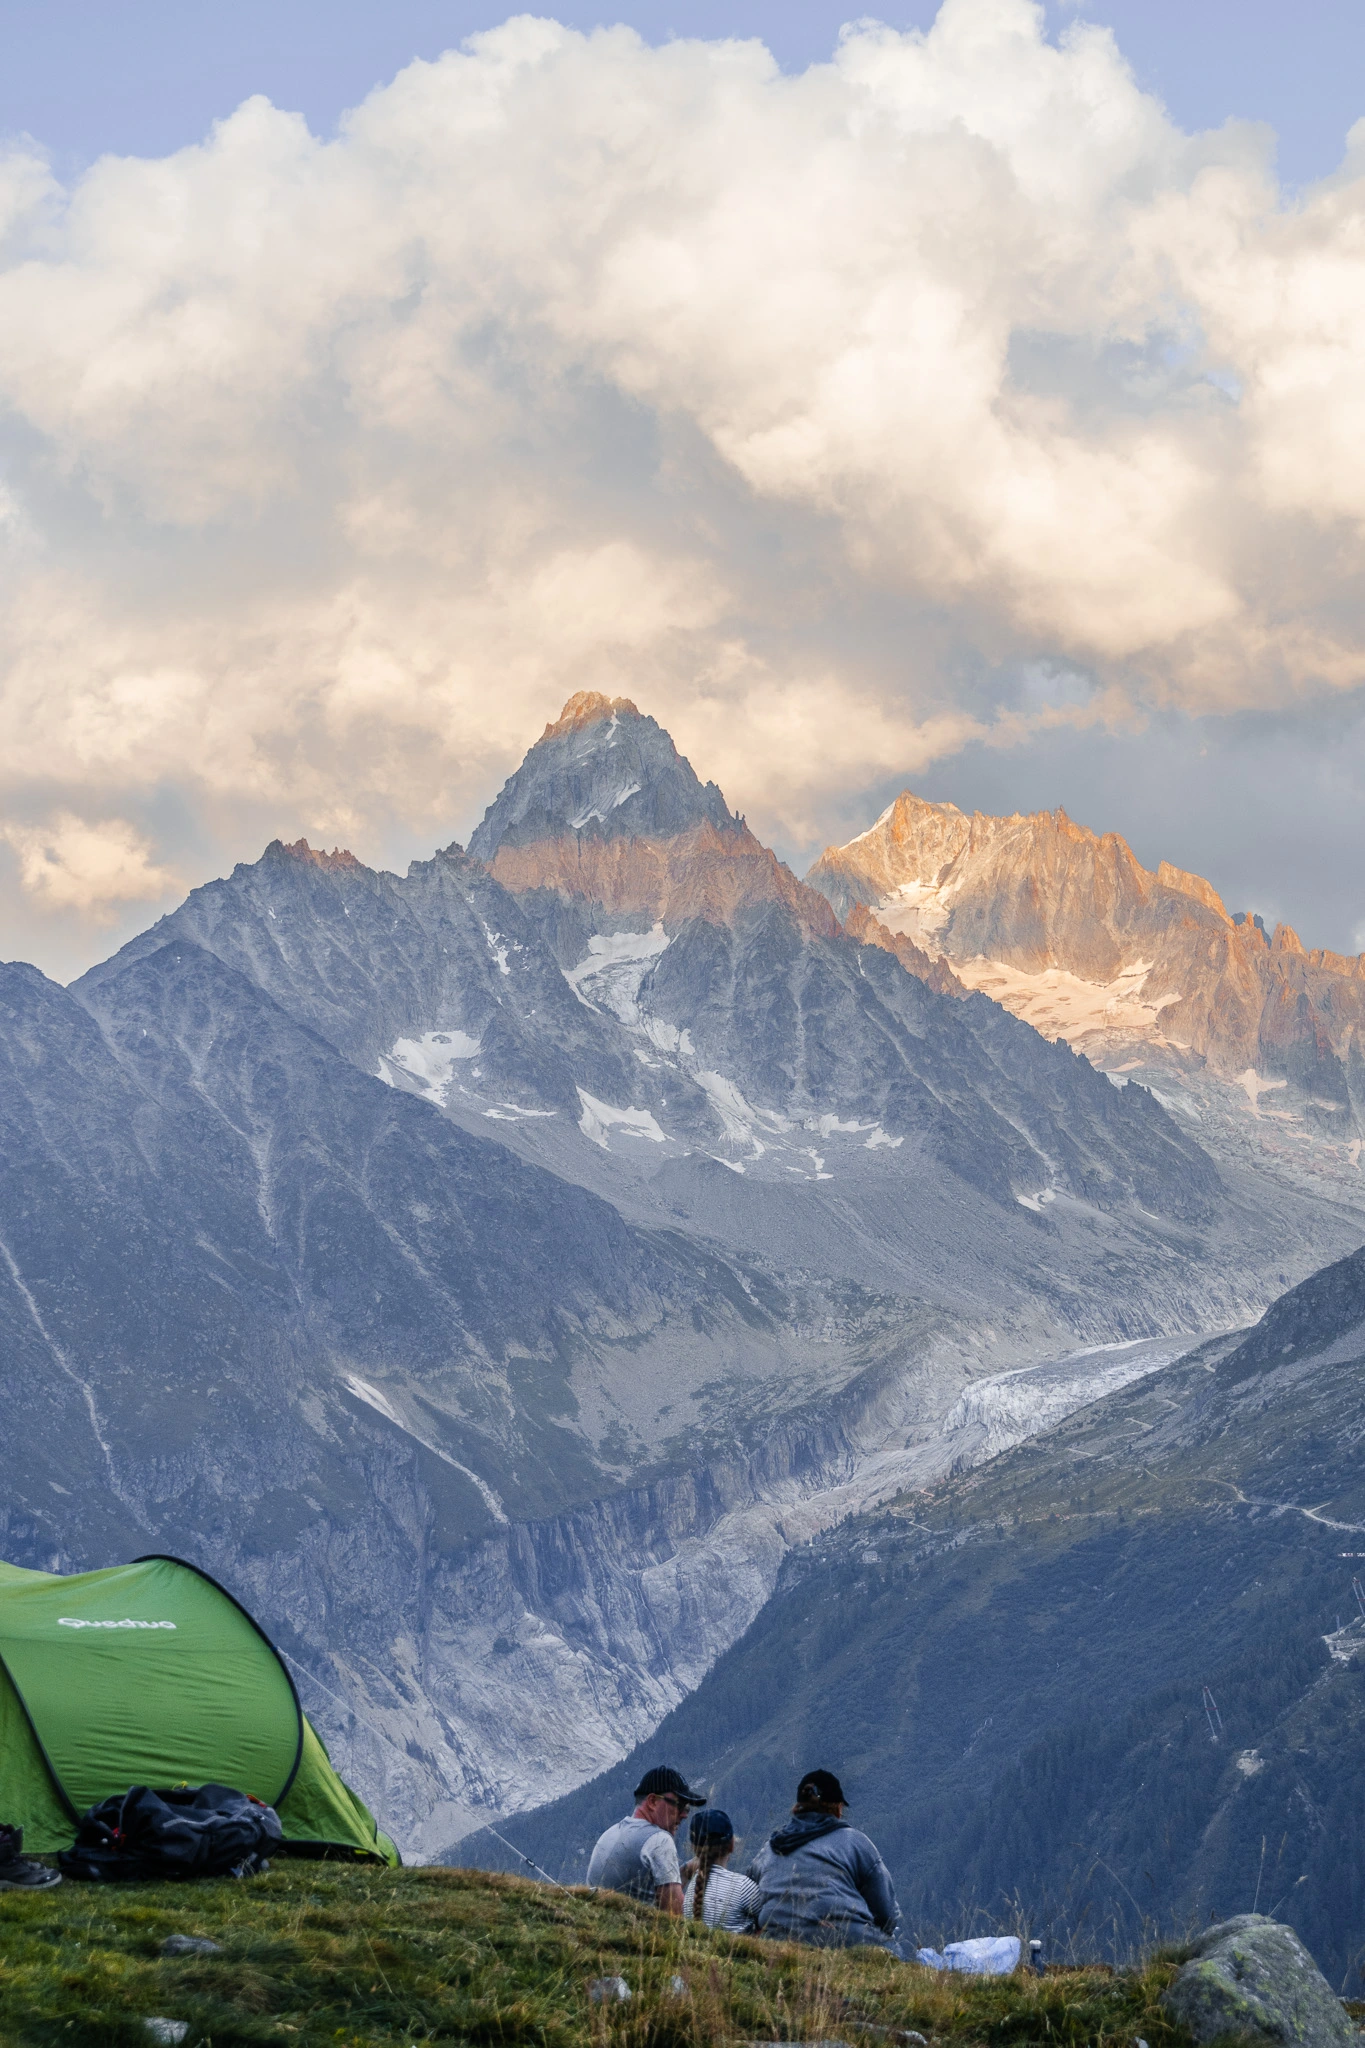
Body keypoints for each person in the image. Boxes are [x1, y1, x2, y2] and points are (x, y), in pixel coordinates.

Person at [747, 1769, 899, 1949]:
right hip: (844, 1941)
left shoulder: (771, 1847)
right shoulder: (855, 1842)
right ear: (838, 1808)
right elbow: (887, 1914)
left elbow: (750, 1895)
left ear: (798, 1808)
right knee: (894, 1952)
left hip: (777, 1941)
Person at [586, 1766, 706, 1914]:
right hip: (635, 1933)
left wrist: (690, 1868)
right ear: (653, 1801)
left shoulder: (610, 1833)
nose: (684, 1815)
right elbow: (674, 1912)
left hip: (601, 1925)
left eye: (687, 1808)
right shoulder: (659, 1840)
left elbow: (649, 1890)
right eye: (679, 1805)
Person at [682, 1808, 760, 1933]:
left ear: (693, 1848)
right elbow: (769, 1919)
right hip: (737, 1952)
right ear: (732, 1845)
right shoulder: (743, 1886)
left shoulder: (692, 1889)